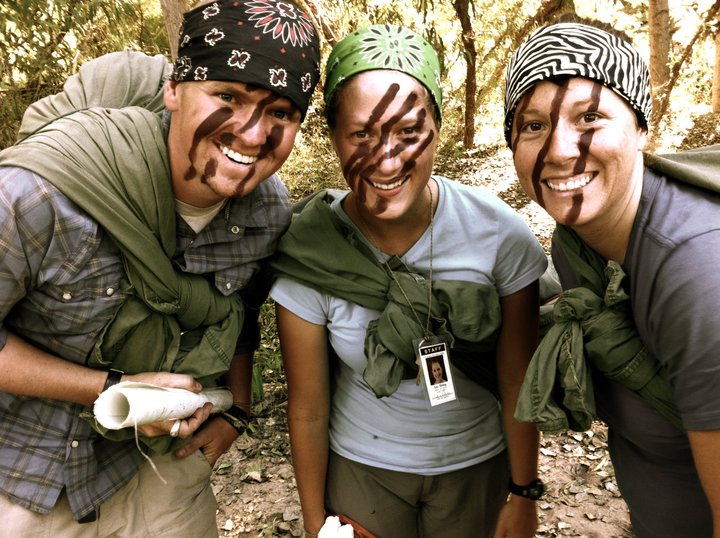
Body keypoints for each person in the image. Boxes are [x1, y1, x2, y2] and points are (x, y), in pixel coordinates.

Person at [0, 0, 319, 535]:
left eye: (281, 112)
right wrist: (109, 387)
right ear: (175, 89)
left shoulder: (266, 214)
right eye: (227, 96)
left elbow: (241, 308)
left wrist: (237, 410)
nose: (253, 132)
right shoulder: (37, 196)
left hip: (165, 473)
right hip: (28, 474)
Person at [270, 24, 548, 538]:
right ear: (333, 135)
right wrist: (314, 524)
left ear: (438, 129)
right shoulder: (311, 248)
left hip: (475, 469)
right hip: (362, 473)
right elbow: (307, 406)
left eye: (407, 132)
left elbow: (518, 380)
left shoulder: (498, 235)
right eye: (361, 134)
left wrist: (524, 491)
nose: (387, 157)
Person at [504, 17, 720, 537]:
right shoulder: (576, 243)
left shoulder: (697, 274)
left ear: (643, 126)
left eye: (590, 117)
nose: (559, 151)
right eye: (533, 125)